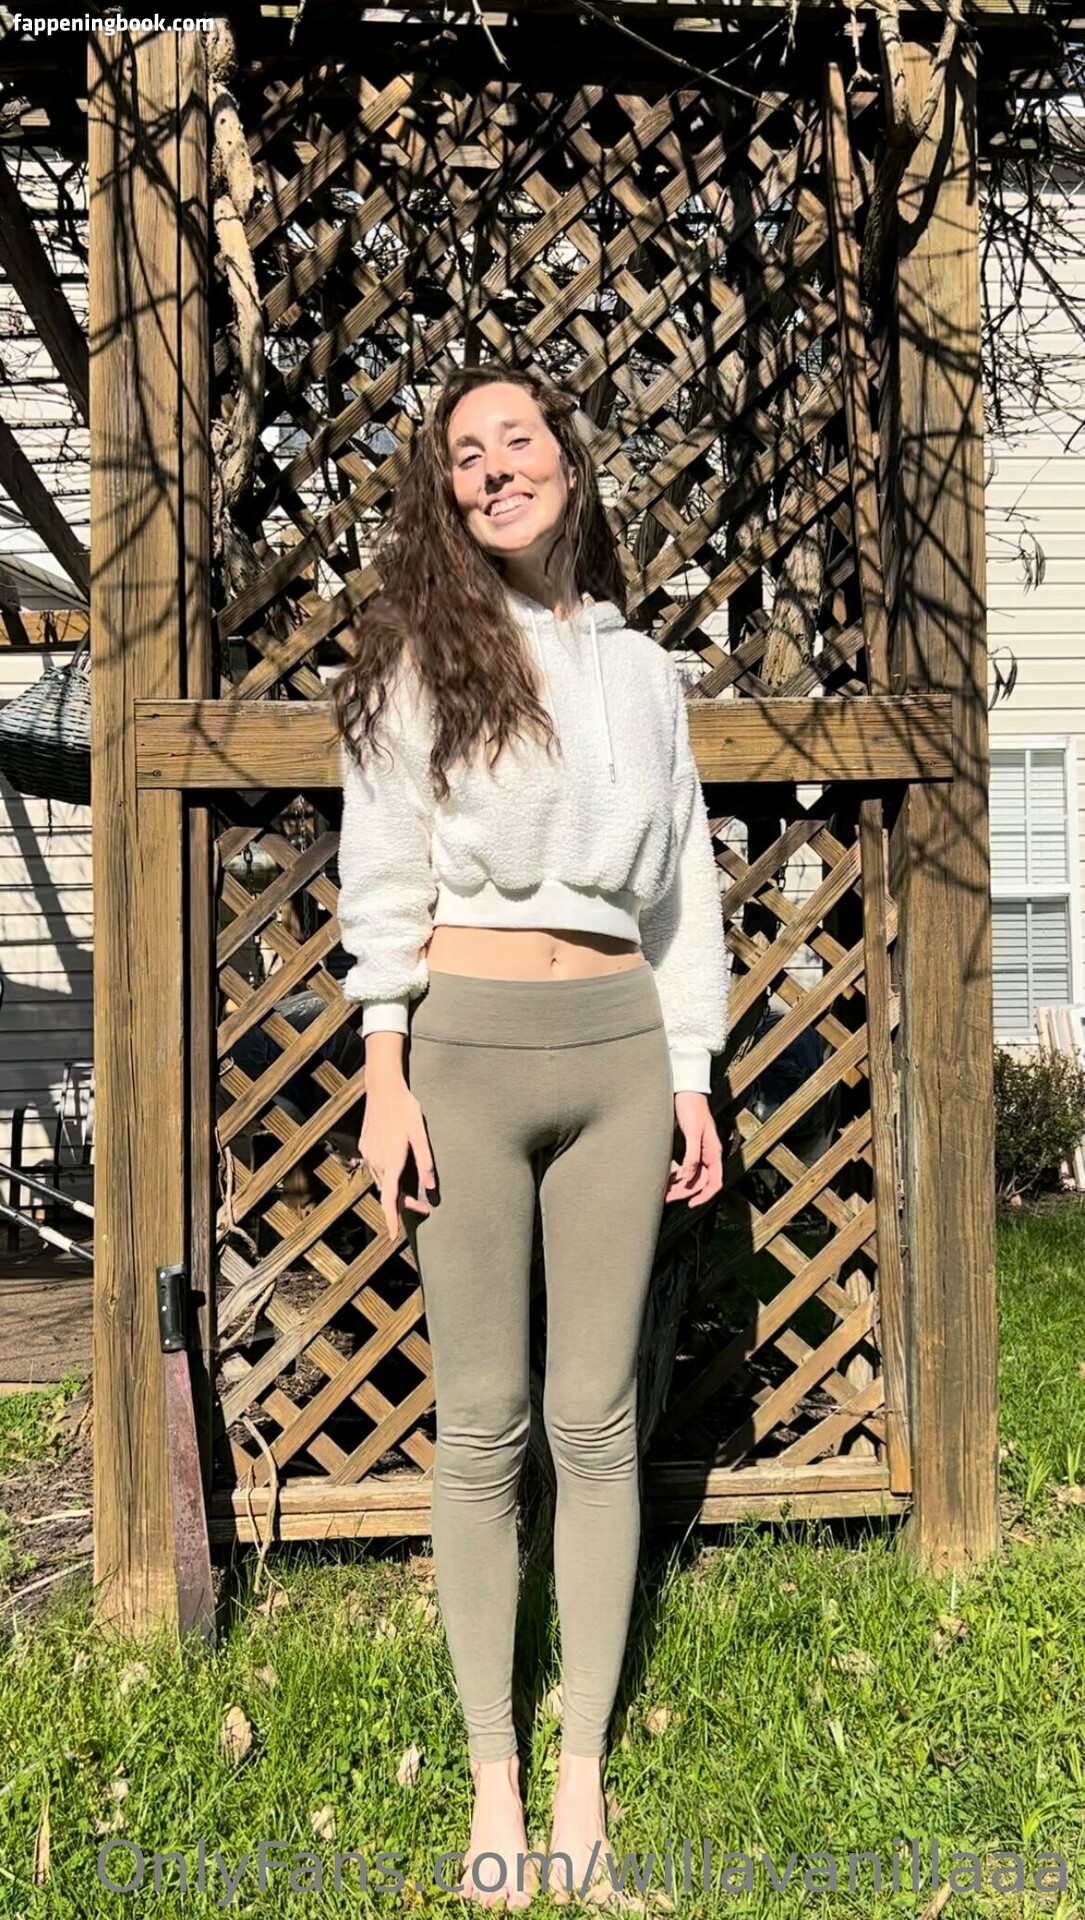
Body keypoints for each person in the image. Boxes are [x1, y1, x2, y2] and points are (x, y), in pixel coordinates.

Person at [333, 363, 730, 1909]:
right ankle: (492, 1773)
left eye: (518, 439)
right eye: (465, 454)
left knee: (595, 1421)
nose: (495, 467)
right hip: (467, 1056)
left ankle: (579, 1777)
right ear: (444, 494)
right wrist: (385, 1073)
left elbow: (681, 892)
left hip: (621, 1054)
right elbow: (383, 875)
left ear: (568, 457)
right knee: (485, 1422)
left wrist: (689, 1075)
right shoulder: (421, 654)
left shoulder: (642, 673)